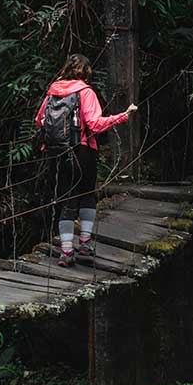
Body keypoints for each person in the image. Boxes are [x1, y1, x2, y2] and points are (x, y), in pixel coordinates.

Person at [34, 54, 137, 267]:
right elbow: (95, 124)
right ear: (87, 72)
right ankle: (86, 244)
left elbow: (39, 121)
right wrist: (123, 116)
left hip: (56, 153)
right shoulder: (85, 92)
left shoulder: (52, 92)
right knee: (87, 195)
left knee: (66, 199)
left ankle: (66, 251)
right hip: (82, 151)